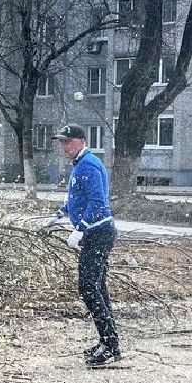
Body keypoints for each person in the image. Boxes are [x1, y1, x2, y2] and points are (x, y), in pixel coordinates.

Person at [44, 125, 121, 366]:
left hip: (99, 233)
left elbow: (98, 202)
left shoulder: (88, 164)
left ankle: (109, 345)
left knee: (89, 287)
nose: (63, 146)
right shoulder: (79, 164)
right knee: (97, 287)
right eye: (61, 142)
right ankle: (109, 343)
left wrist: (80, 229)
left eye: (67, 141)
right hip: (95, 233)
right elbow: (76, 198)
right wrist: (58, 214)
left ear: (81, 141)